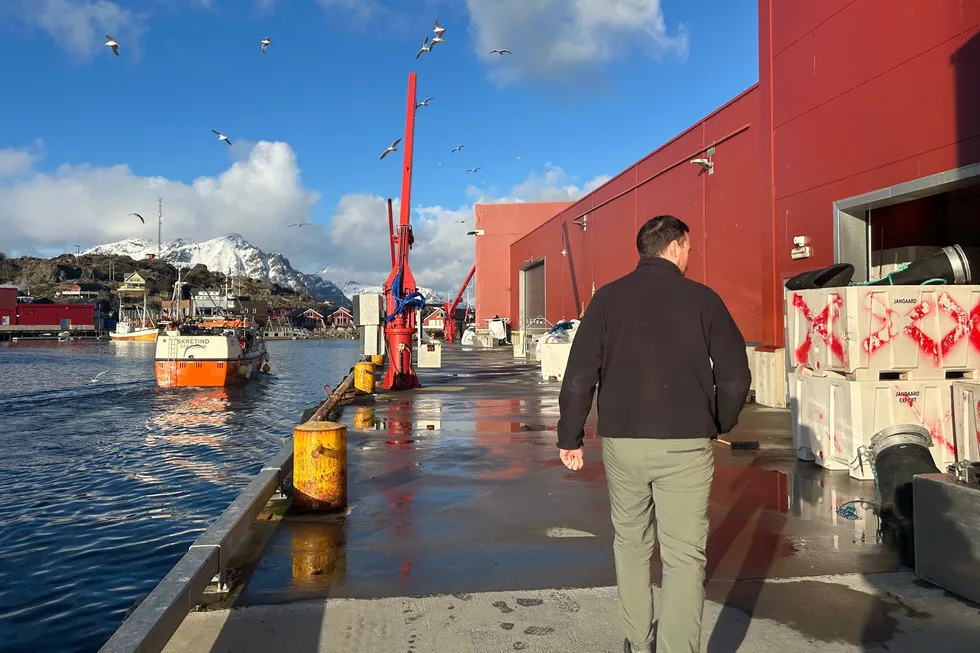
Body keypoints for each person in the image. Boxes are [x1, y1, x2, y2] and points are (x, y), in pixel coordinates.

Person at [556, 215, 751, 653]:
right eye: (689, 246)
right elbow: (736, 375)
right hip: (686, 444)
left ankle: (638, 642)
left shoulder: (607, 300)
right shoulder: (703, 300)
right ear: (677, 246)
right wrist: (719, 419)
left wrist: (570, 437)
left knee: (631, 544)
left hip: (622, 445)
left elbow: (579, 375)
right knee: (684, 557)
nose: (690, 254)